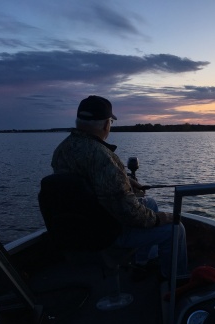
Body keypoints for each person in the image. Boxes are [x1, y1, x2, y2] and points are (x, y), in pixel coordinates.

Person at [51, 95, 187, 277]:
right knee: (175, 229)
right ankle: (176, 282)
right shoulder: (103, 157)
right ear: (106, 124)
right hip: (106, 232)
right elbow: (127, 210)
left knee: (151, 203)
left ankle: (142, 262)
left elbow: (84, 181)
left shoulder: (62, 150)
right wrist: (158, 219)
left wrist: (125, 179)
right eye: (110, 122)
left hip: (78, 226)